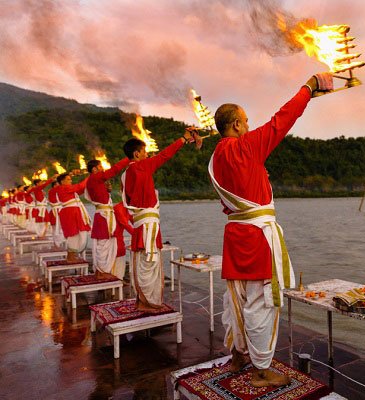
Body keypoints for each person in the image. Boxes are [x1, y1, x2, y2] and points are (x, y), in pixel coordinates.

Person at [208, 74, 333, 387]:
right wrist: (309, 86)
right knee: (263, 302)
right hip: (257, 237)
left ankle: (238, 355)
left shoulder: (215, 158)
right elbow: (284, 118)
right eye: (246, 122)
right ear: (236, 125)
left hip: (234, 235)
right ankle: (261, 369)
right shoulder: (246, 147)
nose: (250, 126)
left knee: (235, 299)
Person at [122, 130, 195, 311]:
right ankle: (148, 303)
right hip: (147, 225)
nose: (147, 155)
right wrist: (183, 139)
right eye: (144, 152)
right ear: (137, 153)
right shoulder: (140, 167)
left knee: (142, 262)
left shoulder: (127, 173)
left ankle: (142, 300)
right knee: (150, 263)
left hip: (141, 224)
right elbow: (165, 155)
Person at [85, 156, 130, 278]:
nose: (102, 169)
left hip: (103, 215)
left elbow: (100, 196)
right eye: (100, 167)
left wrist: (107, 191)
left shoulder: (93, 180)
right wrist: (128, 159)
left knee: (104, 244)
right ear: (94, 169)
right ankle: (102, 272)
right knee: (103, 244)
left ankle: (101, 271)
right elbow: (114, 169)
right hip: (104, 216)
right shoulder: (95, 177)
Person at [56, 172, 90, 262]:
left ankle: (72, 255)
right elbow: (79, 186)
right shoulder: (63, 188)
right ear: (62, 181)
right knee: (72, 234)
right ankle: (70, 256)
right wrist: (90, 177)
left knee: (77, 233)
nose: (70, 181)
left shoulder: (67, 188)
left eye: (70, 179)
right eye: (68, 179)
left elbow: (80, 189)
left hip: (73, 211)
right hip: (69, 212)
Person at [48, 181, 65, 248]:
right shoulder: (52, 191)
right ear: (54, 185)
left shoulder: (54, 191)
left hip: (58, 210)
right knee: (57, 228)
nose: (59, 186)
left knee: (57, 229)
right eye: (58, 185)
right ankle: (57, 243)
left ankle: (57, 243)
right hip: (56, 211)